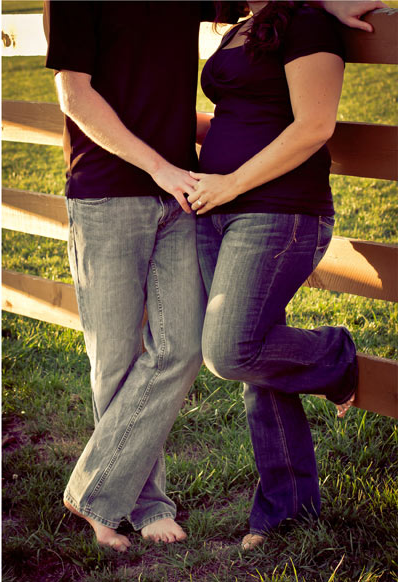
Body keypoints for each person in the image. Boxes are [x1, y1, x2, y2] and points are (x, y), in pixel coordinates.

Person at [43, 0, 384, 551]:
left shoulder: (245, 9)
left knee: (203, 350)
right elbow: (75, 93)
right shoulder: (85, 2)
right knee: (126, 356)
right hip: (141, 192)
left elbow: (302, 87)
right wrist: (172, 167)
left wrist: (328, 1)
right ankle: (162, 505)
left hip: (214, 200)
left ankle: (333, 360)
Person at [186, 1, 360, 550]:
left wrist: (231, 182)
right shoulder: (242, 24)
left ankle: (335, 356)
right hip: (217, 207)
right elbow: (237, 117)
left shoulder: (308, 21)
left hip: (279, 211)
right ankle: (286, 509)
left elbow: (314, 125)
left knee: (230, 351)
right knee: (259, 359)